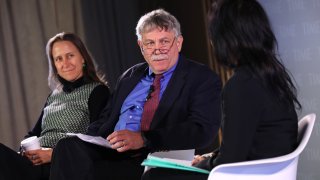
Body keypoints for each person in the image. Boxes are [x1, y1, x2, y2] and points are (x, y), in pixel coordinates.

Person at [49, 9, 222, 180]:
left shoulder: (201, 78)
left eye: (164, 42)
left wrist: (144, 139)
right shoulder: (130, 76)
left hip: (155, 155)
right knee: (68, 146)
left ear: (178, 43)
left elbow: (202, 130)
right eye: (150, 43)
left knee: (85, 170)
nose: (157, 50)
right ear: (141, 46)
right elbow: (106, 118)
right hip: (113, 150)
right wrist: (88, 138)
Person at [141, 0, 302, 179]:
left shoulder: (242, 85)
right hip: (263, 172)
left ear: (225, 38)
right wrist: (209, 157)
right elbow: (243, 142)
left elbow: (231, 160)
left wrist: (203, 162)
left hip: (245, 174)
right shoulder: (271, 76)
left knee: (154, 175)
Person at [0, 32, 110, 180]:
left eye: (70, 55)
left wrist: (52, 154)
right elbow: (33, 134)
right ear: (55, 65)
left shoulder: (98, 91)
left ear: (83, 57)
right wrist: (25, 152)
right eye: (58, 59)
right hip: (36, 162)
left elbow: (94, 139)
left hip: (60, 164)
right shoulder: (54, 95)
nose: (65, 63)